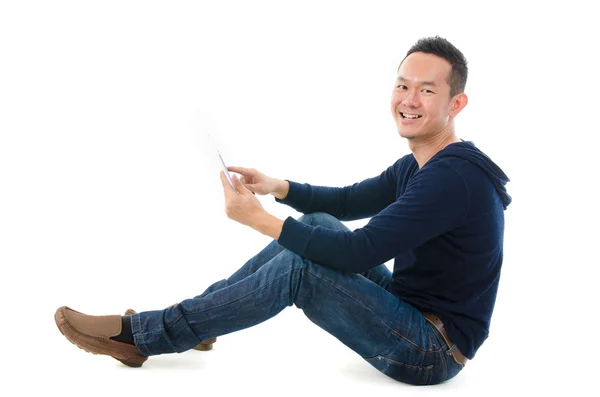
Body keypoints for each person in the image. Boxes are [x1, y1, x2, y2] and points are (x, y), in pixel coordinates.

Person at [54, 36, 511, 386]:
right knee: (317, 226)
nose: (409, 100)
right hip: (411, 311)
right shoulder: (426, 164)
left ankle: (145, 335)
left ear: (456, 104)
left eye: (426, 91)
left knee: (302, 270)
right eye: (402, 85)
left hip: (431, 350)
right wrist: (278, 187)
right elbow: (349, 202)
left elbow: (357, 252)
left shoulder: (453, 178)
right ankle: (197, 321)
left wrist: (261, 221)